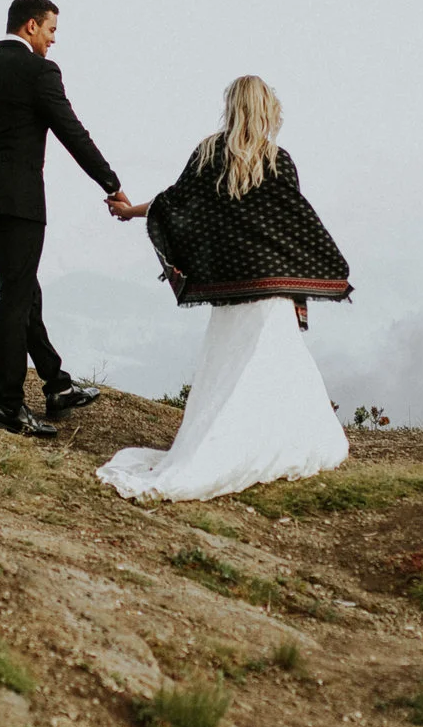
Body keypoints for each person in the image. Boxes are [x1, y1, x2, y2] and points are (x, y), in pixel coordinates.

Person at [97, 76, 352, 501]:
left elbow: (174, 204)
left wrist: (131, 211)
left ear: (231, 107)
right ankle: (270, 442)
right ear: (269, 108)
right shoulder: (278, 160)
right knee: (274, 363)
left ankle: (222, 443)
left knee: (230, 368)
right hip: (272, 284)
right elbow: (295, 225)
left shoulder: (208, 155)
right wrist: (321, 266)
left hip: (232, 285)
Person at [0, 0, 137, 436]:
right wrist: (111, 184)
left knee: (23, 288)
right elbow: (72, 132)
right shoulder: (39, 72)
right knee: (14, 297)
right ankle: (7, 405)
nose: (53, 42)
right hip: (19, 201)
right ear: (31, 26)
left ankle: (57, 385)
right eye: (51, 31)